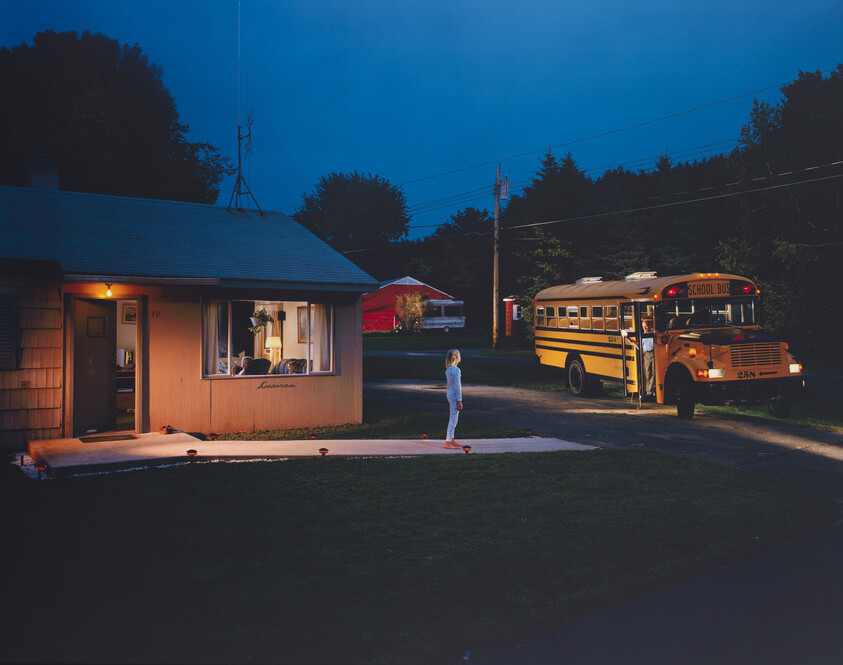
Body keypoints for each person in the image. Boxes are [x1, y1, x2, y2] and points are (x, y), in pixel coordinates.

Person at [621, 319, 655, 396]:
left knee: (654, 373)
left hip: (654, 353)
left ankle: (651, 390)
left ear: (650, 326)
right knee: (647, 373)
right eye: (643, 327)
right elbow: (639, 346)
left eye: (646, 326)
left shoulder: (654, 334)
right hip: (646, 354)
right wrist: (631, 340)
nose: (645, 328)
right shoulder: (642, 335)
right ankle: (647, 391)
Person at [444, 349, 463, 449]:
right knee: (453, 418)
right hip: (454, 395)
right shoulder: (456, 370)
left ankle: (451, 439)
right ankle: (448, 441)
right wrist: (459, 401)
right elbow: (457, 386)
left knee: (454, 417)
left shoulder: (449, 369)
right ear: (456, 357)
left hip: (449, 393)